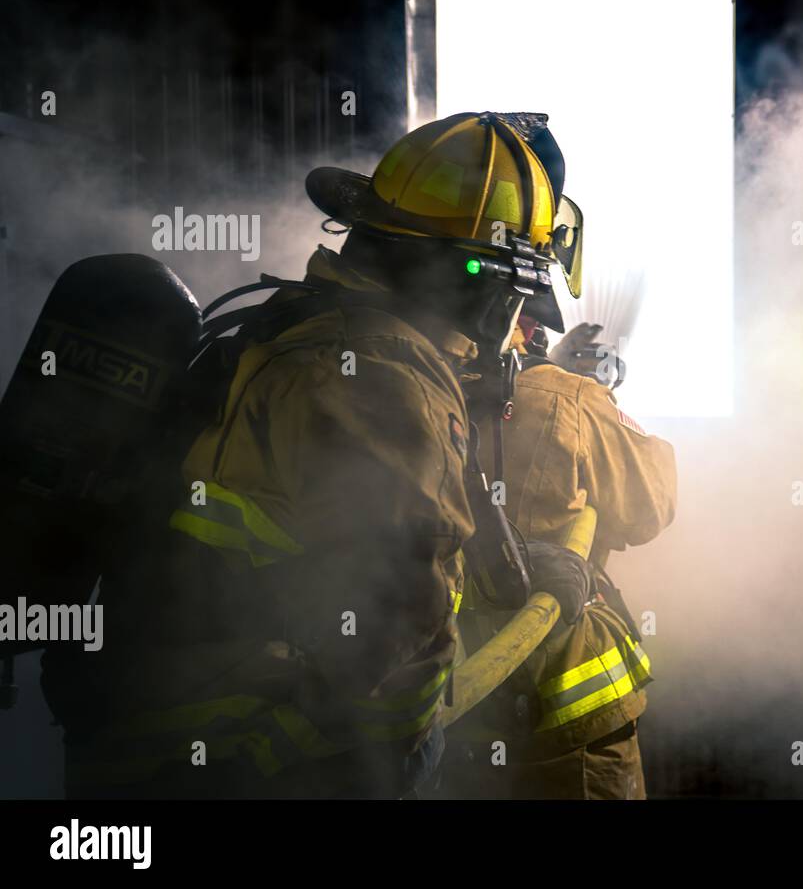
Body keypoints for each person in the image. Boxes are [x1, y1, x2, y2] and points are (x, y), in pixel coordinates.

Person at [41, 111, 580, 797]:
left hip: (151, 741)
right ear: (489, 288)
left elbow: (324, 553)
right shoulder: (384, 379)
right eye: (518, 293)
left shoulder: (294, 328)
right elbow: (399, 627)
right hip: (243, 762)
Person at [443, 317, 676, 799]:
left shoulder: (402, 381)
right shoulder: (568, 396)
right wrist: (587, 392)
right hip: (567, 697)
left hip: (447, 698)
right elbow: (648, 508)